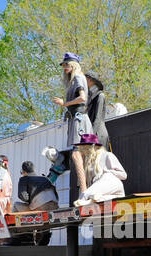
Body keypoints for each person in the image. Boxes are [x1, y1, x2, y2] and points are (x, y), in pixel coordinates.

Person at [53, 53, 93, 197]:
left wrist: (64, 103)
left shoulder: (77, 77)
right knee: (89, 154)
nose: (64, 67)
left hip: (79, 120)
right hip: (82, 119)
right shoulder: (77, 78)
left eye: (66, 64)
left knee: (77, 154)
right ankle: (88, 188)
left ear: (73, 65)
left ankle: (84, 190)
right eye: (63, 65)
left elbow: (82, 98)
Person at [74, 136, 128, 205]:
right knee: (96, 197)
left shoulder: (107, 155)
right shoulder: (89, 162)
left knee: (106, 176)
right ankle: (89, 200)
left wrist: (107, 171)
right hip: (107, 194)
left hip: (113, 185)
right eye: (82, 149)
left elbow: (124, 175)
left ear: (93, 147)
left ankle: (84, 197)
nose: (83, 151)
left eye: (85, 148)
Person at [84, 72, 109, 147]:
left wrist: (91, 136)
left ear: (91, 80)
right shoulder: (90, 97)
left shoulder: (100, 96)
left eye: (85, 79)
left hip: (99, 134)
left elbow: (98, 118)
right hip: (93, 133)